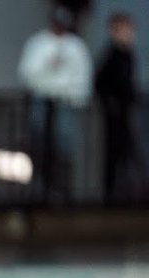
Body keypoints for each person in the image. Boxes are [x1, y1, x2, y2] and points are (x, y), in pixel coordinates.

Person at [18, 5, 92, 202]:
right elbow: (28, 73)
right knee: (39, 144)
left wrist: (77, 97)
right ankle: (40, 190)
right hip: (42, 100)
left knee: (64, 147)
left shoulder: (76, 46)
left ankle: (62, 191)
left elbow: (82, 77)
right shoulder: (38, 43)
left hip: (65, 102)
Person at [94, 12, 141, 204]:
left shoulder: (128, 55)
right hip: (114, 115)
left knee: (128, 154)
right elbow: (100, 83)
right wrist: (111, 103)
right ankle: (112, 196)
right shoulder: (112, 56)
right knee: (116, 155)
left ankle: (127, 193)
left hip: (125, 113)